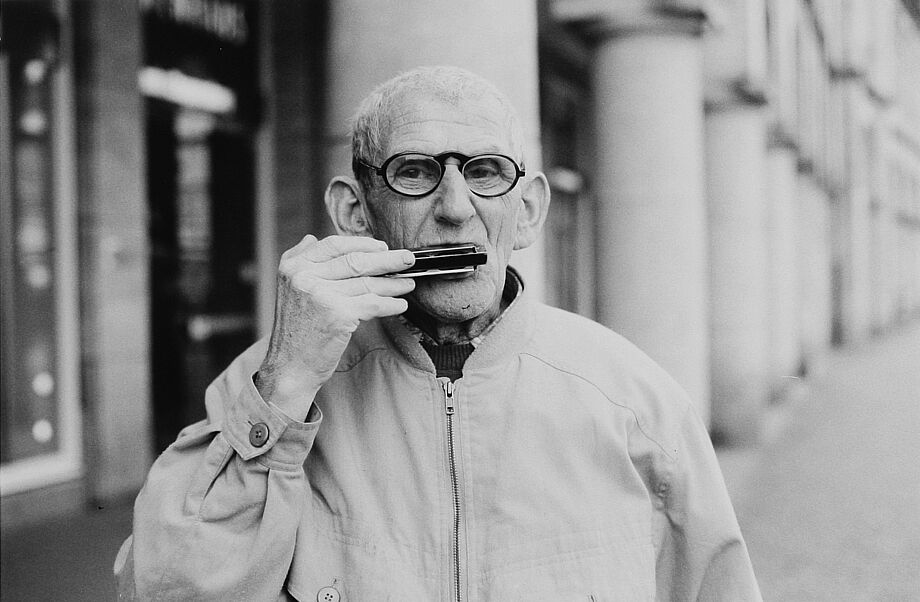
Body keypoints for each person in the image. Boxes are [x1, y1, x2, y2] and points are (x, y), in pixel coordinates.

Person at [115, 65, 761, 601]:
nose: (455, 209)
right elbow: (163, 590)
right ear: (355, 212)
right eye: (416, 172)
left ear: (528, 210)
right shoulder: (270, 387)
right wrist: (283, 387)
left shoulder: (639, 409)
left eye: (484, 172)